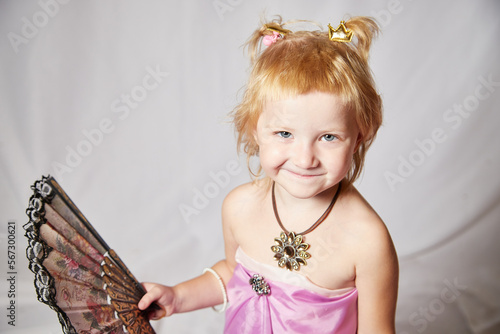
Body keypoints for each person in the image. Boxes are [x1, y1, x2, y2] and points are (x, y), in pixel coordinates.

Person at [139, 16, 399, 333]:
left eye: (328, 137)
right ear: (254, 130)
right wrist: (178, 297)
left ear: (359, 136)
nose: (305, 159)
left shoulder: (367, 241)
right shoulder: (240, 207)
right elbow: (233, 274)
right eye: (284, 134)